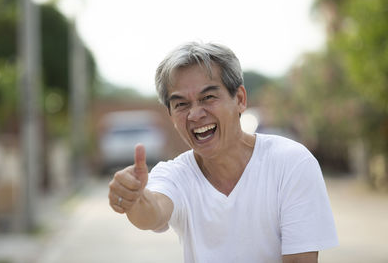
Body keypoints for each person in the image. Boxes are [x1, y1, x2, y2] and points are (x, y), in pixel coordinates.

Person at [108, 42, 339, 263]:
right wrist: (136, 199)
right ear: (171, 115)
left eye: (208, 97)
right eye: (181, 104)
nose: (195, 114)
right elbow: (154, 211)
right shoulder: (176, 175)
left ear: (239, 99)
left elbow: (301, 260)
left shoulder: (291, 163)